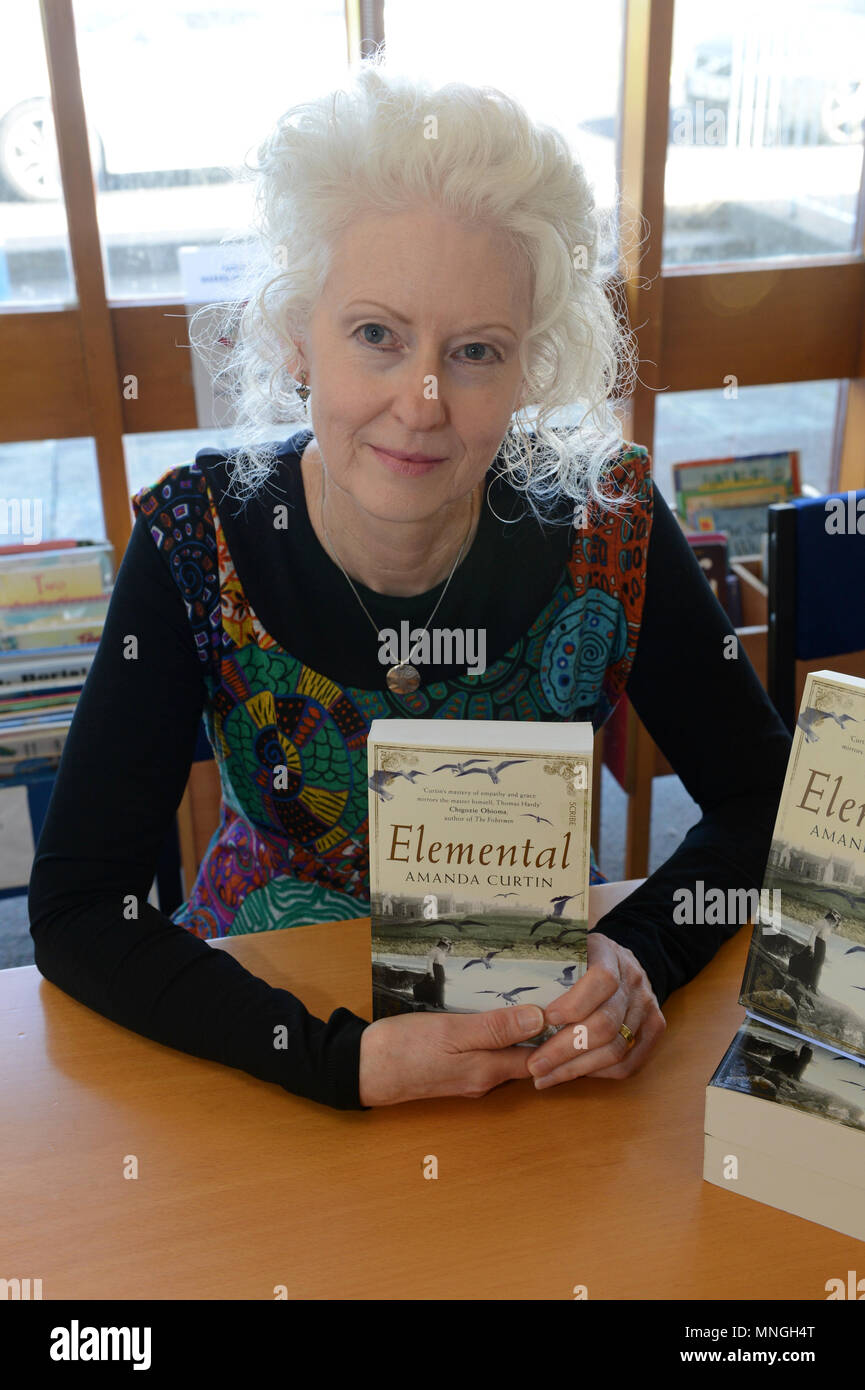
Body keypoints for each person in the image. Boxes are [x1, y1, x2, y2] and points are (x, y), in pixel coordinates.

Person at [28, 60, 792, 1112]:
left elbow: (765, 805)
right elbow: (77, 907)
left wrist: (637, 957)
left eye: (475, 351)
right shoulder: (193, 543)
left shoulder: (607, 526)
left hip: (532, 1039)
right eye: (377, 335)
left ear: (531, 369)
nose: (421, 403)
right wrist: (334, 1057)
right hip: (265, 1038)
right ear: (300, 335)